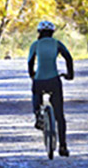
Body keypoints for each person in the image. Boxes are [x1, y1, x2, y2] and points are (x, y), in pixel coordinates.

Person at [27, 20, 74, 157]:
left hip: (40, 81)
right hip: (54, 80)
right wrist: (70, 75)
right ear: (52, 33)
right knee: (60, 116)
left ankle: (37, 114)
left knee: (36, 91)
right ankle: (63, 146)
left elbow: (30, 63)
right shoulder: (57, 44)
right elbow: (68, 58)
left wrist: (32, 75)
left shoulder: (35, 45)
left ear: (39, 33)